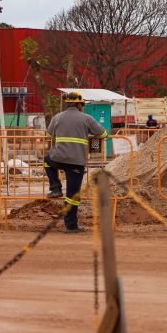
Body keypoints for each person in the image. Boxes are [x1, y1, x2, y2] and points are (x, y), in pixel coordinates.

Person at [44, 91, 107, 233]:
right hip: (77, 162)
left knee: (47, 160)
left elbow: (48, 135)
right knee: (72, 196)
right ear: (79, 104)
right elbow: (103, 134)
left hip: (58, 158)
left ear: (67, 104)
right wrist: (87, 134)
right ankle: (71, 226)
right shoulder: (87, 118)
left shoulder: (57, 117)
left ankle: (55, 187)